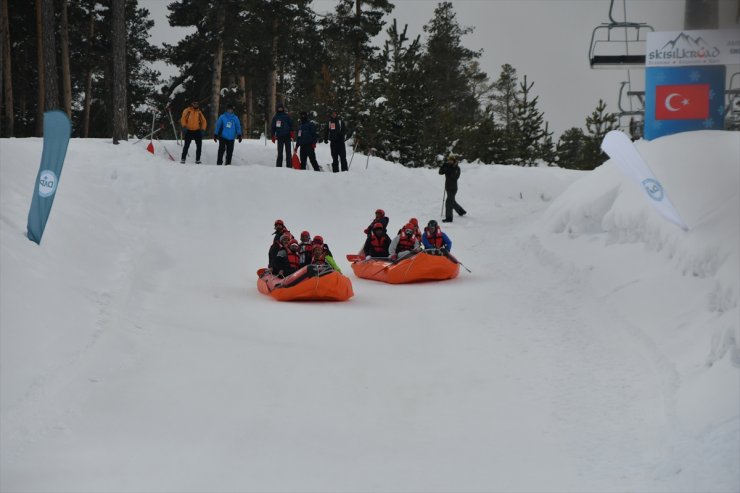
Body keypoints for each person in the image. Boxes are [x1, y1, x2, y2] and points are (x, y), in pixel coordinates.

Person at [439, 153, 467, 222]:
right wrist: (442, 167)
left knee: (448, 202)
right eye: (448, 160)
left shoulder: (457, 168)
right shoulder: (447, 166)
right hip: (447, 187)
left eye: (451, 160)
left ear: (454, 161)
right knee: (452, 201)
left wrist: (449, 170)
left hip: (453, 188)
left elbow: (455, 177)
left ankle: (449, 218)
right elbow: (440, 172)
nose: (449, 161)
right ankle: (461, 211)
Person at [180, 100, 207, 164]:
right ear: (192, 104)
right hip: (188, 130)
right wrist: (184, 126)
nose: (195, 105)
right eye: (194, 103)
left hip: (197, 130)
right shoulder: (187, 110)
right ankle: (183, 159)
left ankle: (198, 159)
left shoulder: (199, 112)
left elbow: (204, 121)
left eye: (197, 104)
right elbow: (183, 118)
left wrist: (203, 129)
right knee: (186, 145)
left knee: (199, 145)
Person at [271, 103, 294, 167]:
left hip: (287, 137)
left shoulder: (287, 116)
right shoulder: (275, 117)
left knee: (288, 153)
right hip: (280, 137)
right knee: (280, 153)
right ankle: (279, 166)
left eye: (281, 108)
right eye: (279, 108)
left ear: (283, 108)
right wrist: (273, 135)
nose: (280, 109)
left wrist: (292, 132)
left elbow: (291, 124)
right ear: (277, 108)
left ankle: (289, 166)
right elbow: (273, 127)